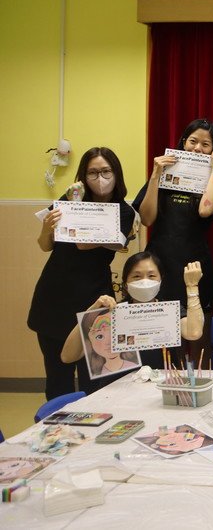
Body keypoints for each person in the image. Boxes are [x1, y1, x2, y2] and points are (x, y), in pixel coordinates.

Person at [27, 148, 138, 399]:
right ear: (83, 176)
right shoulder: (70, 200)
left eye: (106, 171)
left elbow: (84, 244)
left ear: (116, 174)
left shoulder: (123, 212)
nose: (100, 178)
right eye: (92, 173)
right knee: (58, 378)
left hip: (95, 299)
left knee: (96, 378)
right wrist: (47, 228)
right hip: (54, 297)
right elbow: (45, 245)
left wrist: (77, 216)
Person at [134, 119, 213, 312]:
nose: (197, 148)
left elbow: (205, 210)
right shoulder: (164, 173)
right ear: (184, 142)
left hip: (194, 266)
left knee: (194, 325)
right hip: (158, 263)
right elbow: (146, 219)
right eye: (193, 141)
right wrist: (155, 175)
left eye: (205, 144)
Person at [60, 254, 206, 374]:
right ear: (126, 283)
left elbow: (194, 333)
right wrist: (91, 314)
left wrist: (192, 286)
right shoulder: (112, 313)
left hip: (161, 384)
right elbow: (67, 356)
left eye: (151, 276)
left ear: (161, 280)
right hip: (117, 387)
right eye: (136, 276)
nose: (144, 281)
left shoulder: (169, 311)